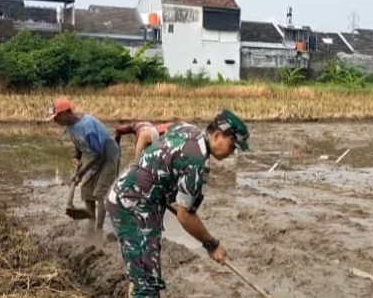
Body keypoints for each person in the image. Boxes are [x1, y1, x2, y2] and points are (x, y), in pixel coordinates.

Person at [105, 109, 249, 298]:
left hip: (128, 198)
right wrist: (212, 245)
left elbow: (147, 135)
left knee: (141, 275)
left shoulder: (185, 127)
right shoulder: (197, 163)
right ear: (217, 135)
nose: (233, 152)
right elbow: (185, 215)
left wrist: (141, 169)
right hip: (134, 207)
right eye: (233, 145)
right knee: (147, 286)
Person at [48, 97, 119, 234]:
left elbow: (98, 153)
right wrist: (76, 157)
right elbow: (79, 144)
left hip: (108, 156)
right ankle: (91, 222)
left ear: (66, 113)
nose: (55, 121)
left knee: (100, 194)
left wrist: (80, 173)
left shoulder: (87, 126)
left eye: (57, 117)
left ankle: (98, 230)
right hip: (93, 156)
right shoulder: (69, 126)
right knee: (86, 190)